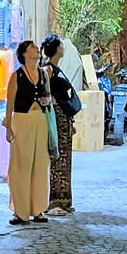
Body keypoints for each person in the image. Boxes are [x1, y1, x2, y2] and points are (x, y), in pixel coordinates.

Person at [4, 40, 52, 226]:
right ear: (24, 53)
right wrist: (8, 126)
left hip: (39, 118)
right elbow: (10, 103)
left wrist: (46, 100)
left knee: (40, 164)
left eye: (36, 48)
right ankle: (19, 210)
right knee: (20, 166)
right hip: (22, 120)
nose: (36, 50)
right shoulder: (17, 76)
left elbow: (48, 96)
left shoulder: (43, 74)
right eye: (32, 47)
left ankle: (38, 209)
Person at [42, 34, 82, 216]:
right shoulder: (48, 69)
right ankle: (54, 201)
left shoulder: (57, 68)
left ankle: (65, 199)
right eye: (61, 46)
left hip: (64, 119)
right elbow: (46, 94)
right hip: (56, 118)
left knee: (65, 158)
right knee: (57, 159)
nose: (63, 48)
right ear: (57, 49)